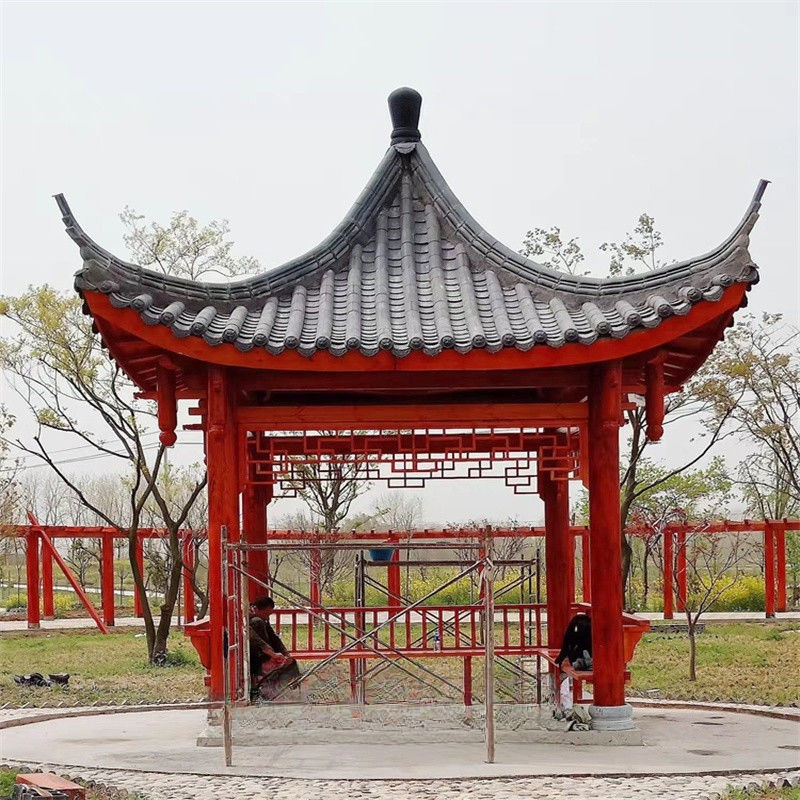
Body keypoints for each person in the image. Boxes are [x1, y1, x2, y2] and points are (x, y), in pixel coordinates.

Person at [249, 596, 300, 699]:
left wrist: (286, 653)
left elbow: (274, 638)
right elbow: (256, 640)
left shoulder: (262, 620)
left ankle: (279, 688)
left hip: (267, 654)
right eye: (266, 614)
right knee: (287, 667)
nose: (267, 618)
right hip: (258, 658)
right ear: (256, 609)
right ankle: (270, 690)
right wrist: (271, 654)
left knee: (291, 663)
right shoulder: (255, 621)